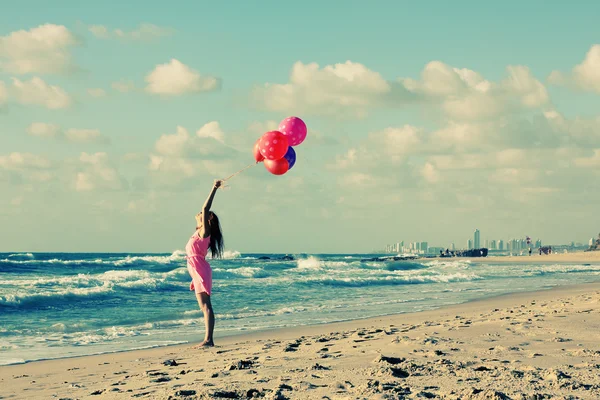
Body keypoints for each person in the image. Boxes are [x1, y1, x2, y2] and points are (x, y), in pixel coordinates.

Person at [186, 179, 224, 348]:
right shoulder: (197, 233)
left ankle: (209, 340)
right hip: (197, 271)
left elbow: (204, 209)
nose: (198, 214)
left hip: (200, 270)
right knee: (204, 306)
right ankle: (209, 339)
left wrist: (213, 188)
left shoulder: (205, 231)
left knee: (206, 305)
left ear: (208, 218)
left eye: (202, 214)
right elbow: (199, 214)